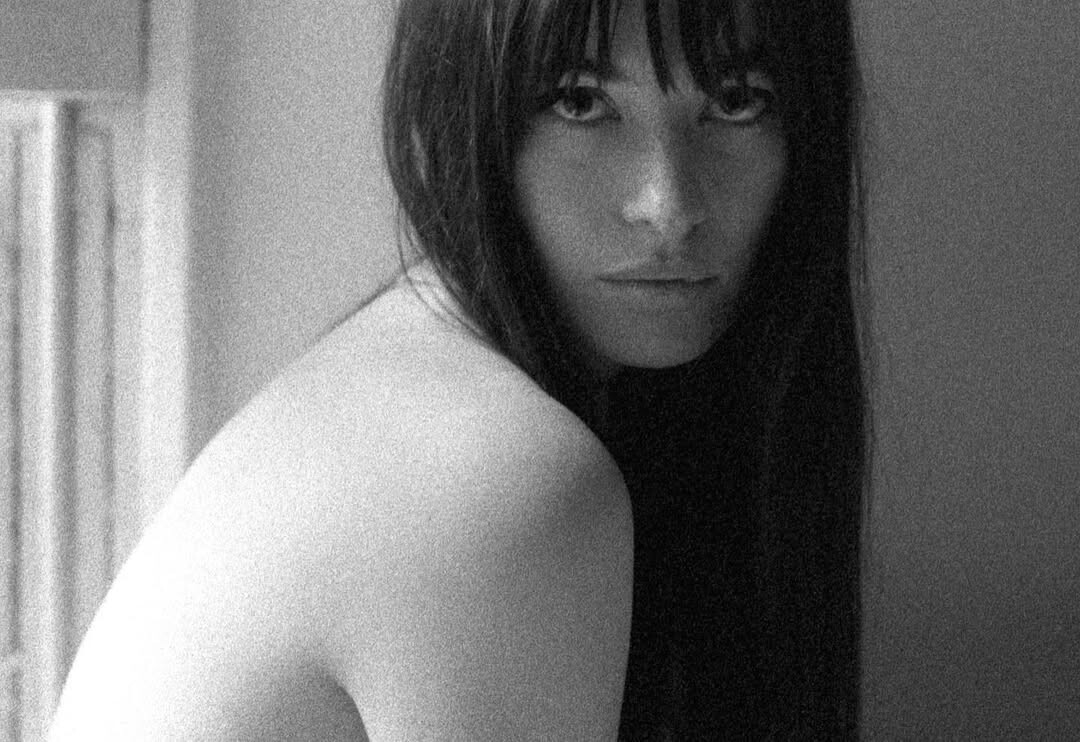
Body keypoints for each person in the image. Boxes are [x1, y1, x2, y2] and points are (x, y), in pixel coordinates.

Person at [49, 0, 868, 738]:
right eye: (580, 102)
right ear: (459, 111)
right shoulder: (500, 474)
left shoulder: (424, 369)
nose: (669, 205)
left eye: (737, 101)